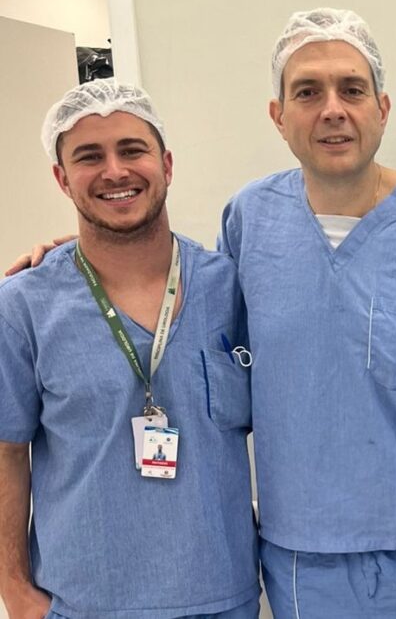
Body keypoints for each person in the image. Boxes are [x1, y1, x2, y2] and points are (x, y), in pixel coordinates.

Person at [218, 8, 396, 618]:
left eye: (352, 89)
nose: (332, 110)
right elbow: (213, 339)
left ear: (382, 108)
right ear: (278, 116)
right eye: (307, 92)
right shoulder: (248, 220)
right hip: (302, 549)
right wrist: (76, 257)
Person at [0, 80, 259, 618]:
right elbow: (6, 453)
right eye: (89, 157)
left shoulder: (229, 288)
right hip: (84, 603)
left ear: (166, 165)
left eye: (132, 150)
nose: (115, 171)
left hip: (223, 596)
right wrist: (15, 590)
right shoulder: (24, 306)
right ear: (62, 178)